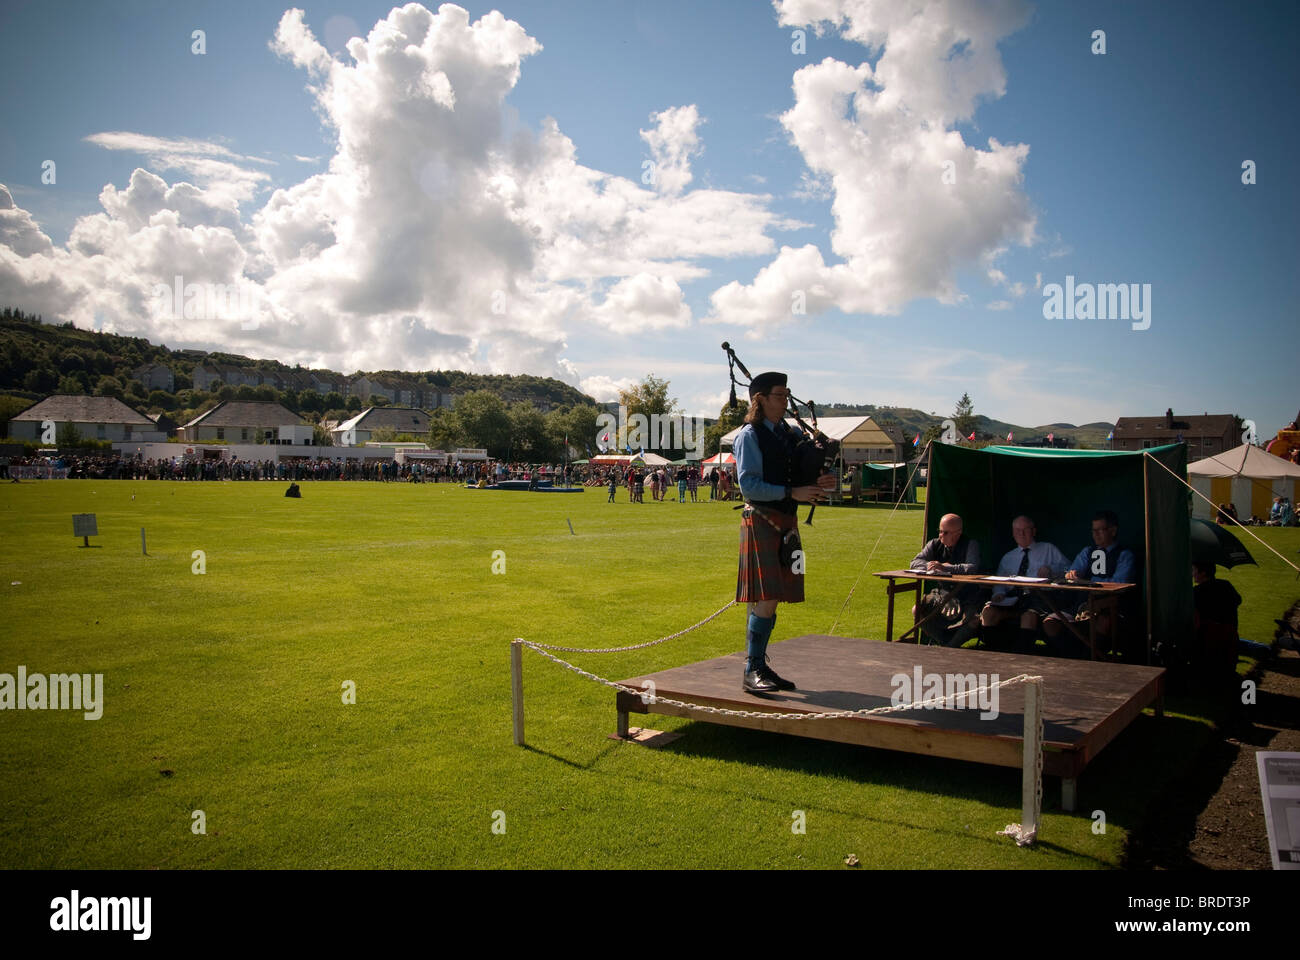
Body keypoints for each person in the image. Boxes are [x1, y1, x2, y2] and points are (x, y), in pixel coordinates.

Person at [734, 371, 837, 693]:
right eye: (779, 394)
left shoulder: (789, 433)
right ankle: (753, 668)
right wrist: (793, 492)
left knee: (774, 597)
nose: (785, 400)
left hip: (787, 524)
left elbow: (801, 470)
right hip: (763, 520)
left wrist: (821, 482)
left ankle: (760, 663)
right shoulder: (749, 435)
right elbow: (748, 484)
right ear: (760, 398)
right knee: (766, 597)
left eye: (787, 393)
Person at [1043, 510, 1136, 658]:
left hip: (1109, 608)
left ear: (1113, 531)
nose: (1096, 535)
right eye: (1094, 530)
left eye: (1100, 530)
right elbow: (1073, 572)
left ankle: (1091, 659)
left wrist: (1091, 582)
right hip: (1081, 606)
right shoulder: (1087, 552)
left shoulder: (1124, 554)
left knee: (1103, 622)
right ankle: (1072, 657)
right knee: (1050, 622)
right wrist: (1071, 575)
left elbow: (1121, 582)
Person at [979, 515, 1068, 653]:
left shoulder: (1048, 549)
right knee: (988, 612)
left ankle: (1021, 655)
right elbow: (999, 581)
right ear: (1013, 533)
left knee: (1028, 616)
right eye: (1017, 530)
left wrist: (1051, 570)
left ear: (1033, 531)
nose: (1021, 534)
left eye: (1025, 530)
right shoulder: (1008, 557)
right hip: (1012, 599)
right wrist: (999, 593)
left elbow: (1068, 569)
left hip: (1037, 598)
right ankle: (991, 653)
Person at [909, 513, 981, 646]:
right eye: (940, 531)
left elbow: (972, 567)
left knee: (974, 619)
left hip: (966, 596)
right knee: (917, 609)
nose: (941, 535)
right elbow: (914, 562)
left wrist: (946, 568)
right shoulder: (934, 544)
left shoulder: (971, 544)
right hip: (942, 595)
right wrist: (929, 565)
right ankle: (945, 643)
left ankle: (949, 647)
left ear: (958, 533)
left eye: (945, 532)